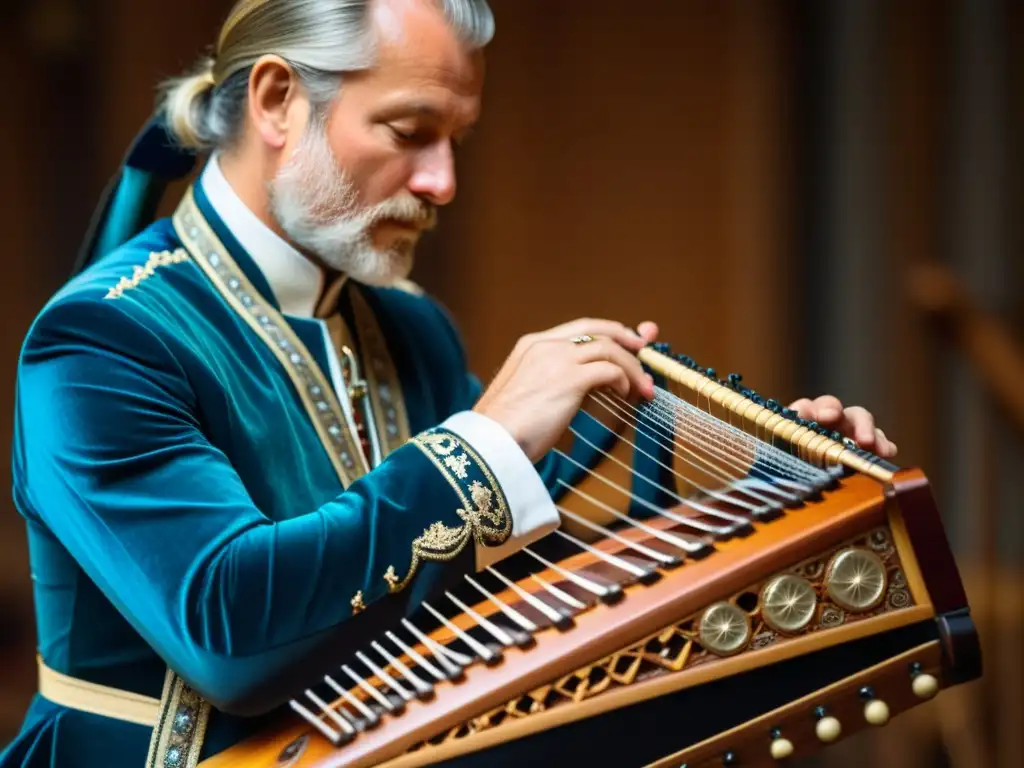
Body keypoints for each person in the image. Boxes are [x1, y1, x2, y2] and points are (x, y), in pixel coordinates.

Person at [0, 1, 898, 766]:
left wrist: (772, 502)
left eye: (456, 140)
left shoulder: (408, 322)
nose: (442, 182)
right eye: (409, 131)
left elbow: (498, 600)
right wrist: (487, 442)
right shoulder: (102, 339)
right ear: (278, 100)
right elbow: (231, 639)